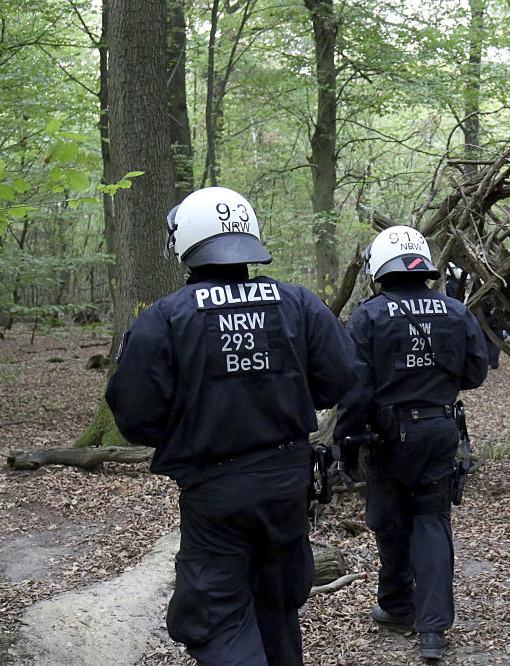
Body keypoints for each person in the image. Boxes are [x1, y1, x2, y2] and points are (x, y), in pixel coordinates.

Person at [105, 186, 357, 666]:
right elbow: (340, 378)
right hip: (288, 485)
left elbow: (135, 416)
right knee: (278, 608)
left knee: (217, 618)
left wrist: (194, 427)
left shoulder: (165, 318)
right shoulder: (298, 303)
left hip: (216, 492)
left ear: (187, 242)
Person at [334, 225, 489, 660]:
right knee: (432, 520)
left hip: (387, 436)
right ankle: (433, 630)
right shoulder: (456, 312)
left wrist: (347, 444)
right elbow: (476, 373)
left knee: (390, 519)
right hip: (440, 431)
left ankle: (399, 606)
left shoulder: (368, 316)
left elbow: (355, 389)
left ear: (379, 268)